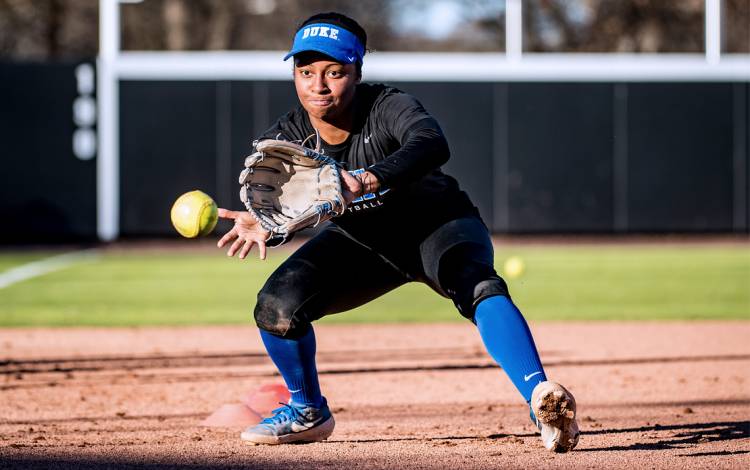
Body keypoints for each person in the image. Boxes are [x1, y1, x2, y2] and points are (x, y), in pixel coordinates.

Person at [217, 12, 580, 452]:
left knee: (476, 284)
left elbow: (431, 144)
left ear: (357, 72)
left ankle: (542, 400)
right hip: (363, 243)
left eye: (335, 71)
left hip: (437, 224)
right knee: (276, 307)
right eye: (305, 71)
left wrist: (366, 178)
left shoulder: (387, 105)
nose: (319, 84)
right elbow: (288, 212)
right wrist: (267, 225)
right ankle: (307, 411)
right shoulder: (288, 137)